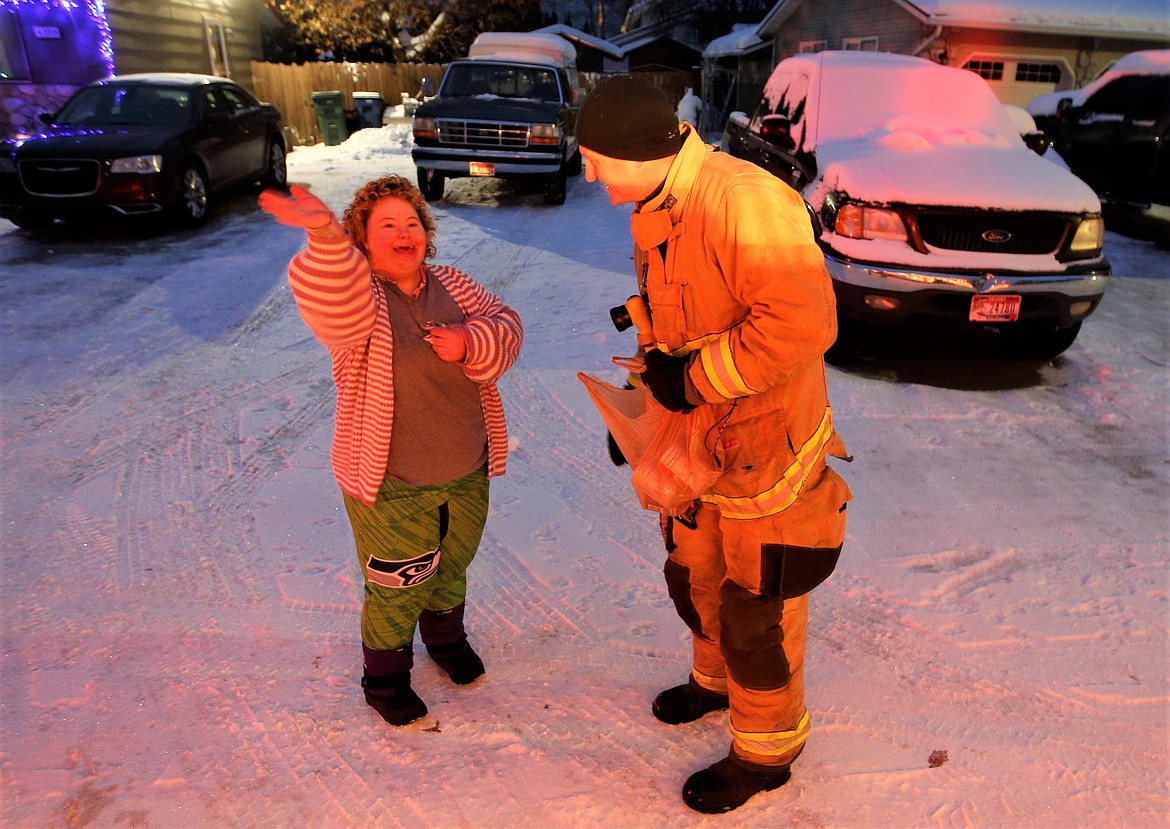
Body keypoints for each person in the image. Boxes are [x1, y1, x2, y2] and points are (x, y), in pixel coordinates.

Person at [576, 75, 852, 814]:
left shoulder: (744, 201)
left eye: (596, 159)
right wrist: (647, 405)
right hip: (699, 446)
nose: (590, 175)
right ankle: (713, 681)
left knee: (753, 608)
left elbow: (800, 327)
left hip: (765, 449)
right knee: (694, 576)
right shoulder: (658, 205)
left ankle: (767, 752)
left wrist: (690, 380)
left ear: (637, 149)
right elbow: (671, 326)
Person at [258, 176, 523, 726]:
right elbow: (332, 298)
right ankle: (384, 678)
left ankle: (446, 643)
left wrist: (471, 341)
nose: (405, 233)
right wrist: (326, 237)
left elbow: (508, 325)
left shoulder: (450, 284)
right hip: (394, 483)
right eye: (387, 225)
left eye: (412, 223)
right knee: (399, 583)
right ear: (364, 240)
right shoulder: (363, 300)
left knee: (452, 567)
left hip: (467, 469)